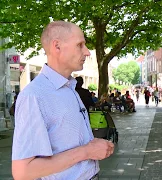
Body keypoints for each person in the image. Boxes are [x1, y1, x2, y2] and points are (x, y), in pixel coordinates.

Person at [12, 21, 114, 180]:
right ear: (57, 46)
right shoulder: (34, 96)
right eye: (80, 45)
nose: (87, 52)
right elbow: (23, 171)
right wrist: (86, 151)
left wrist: (92, 145)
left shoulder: (70, 87)